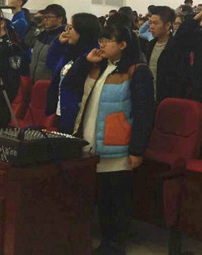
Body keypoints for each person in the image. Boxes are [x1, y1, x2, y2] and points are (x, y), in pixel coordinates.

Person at [68, 23, 155, 255]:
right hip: (89, 141)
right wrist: (85, 61)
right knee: (100, 198)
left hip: (117, 146)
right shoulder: (98, 66)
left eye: (107, 41)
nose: (102, 45)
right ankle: (103, 241)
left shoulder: (138, 71)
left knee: (116, 200)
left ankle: (115, 245)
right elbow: (69, 85)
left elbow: (144, 113)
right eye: (100, 40)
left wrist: (137, 149)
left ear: (123, 45)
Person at [45, 13, 101, 134]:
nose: (67, 32)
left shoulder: (93, 55)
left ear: (83, 31)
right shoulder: (72, 51)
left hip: (76, 112)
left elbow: (73, 82)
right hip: (62, 109)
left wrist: (84, 61)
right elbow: (51, 64)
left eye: (71, 28)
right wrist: (58, 43)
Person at [145, 5, 190, 101]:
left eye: (156, 23)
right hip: (149, 98)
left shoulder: (177, 48)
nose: (152, 27)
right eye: (150, 23)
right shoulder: (150, 45)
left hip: (168, 100)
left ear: (167, 25)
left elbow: (181, 80)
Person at [27, 4, 67, 82]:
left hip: (49, 81)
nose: (45, 20)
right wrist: (35, 25)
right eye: (44, 17)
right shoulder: (43, 33)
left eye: (48, 17)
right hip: (34, 79)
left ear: (60, 19)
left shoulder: (63, 37)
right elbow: (28, 42)